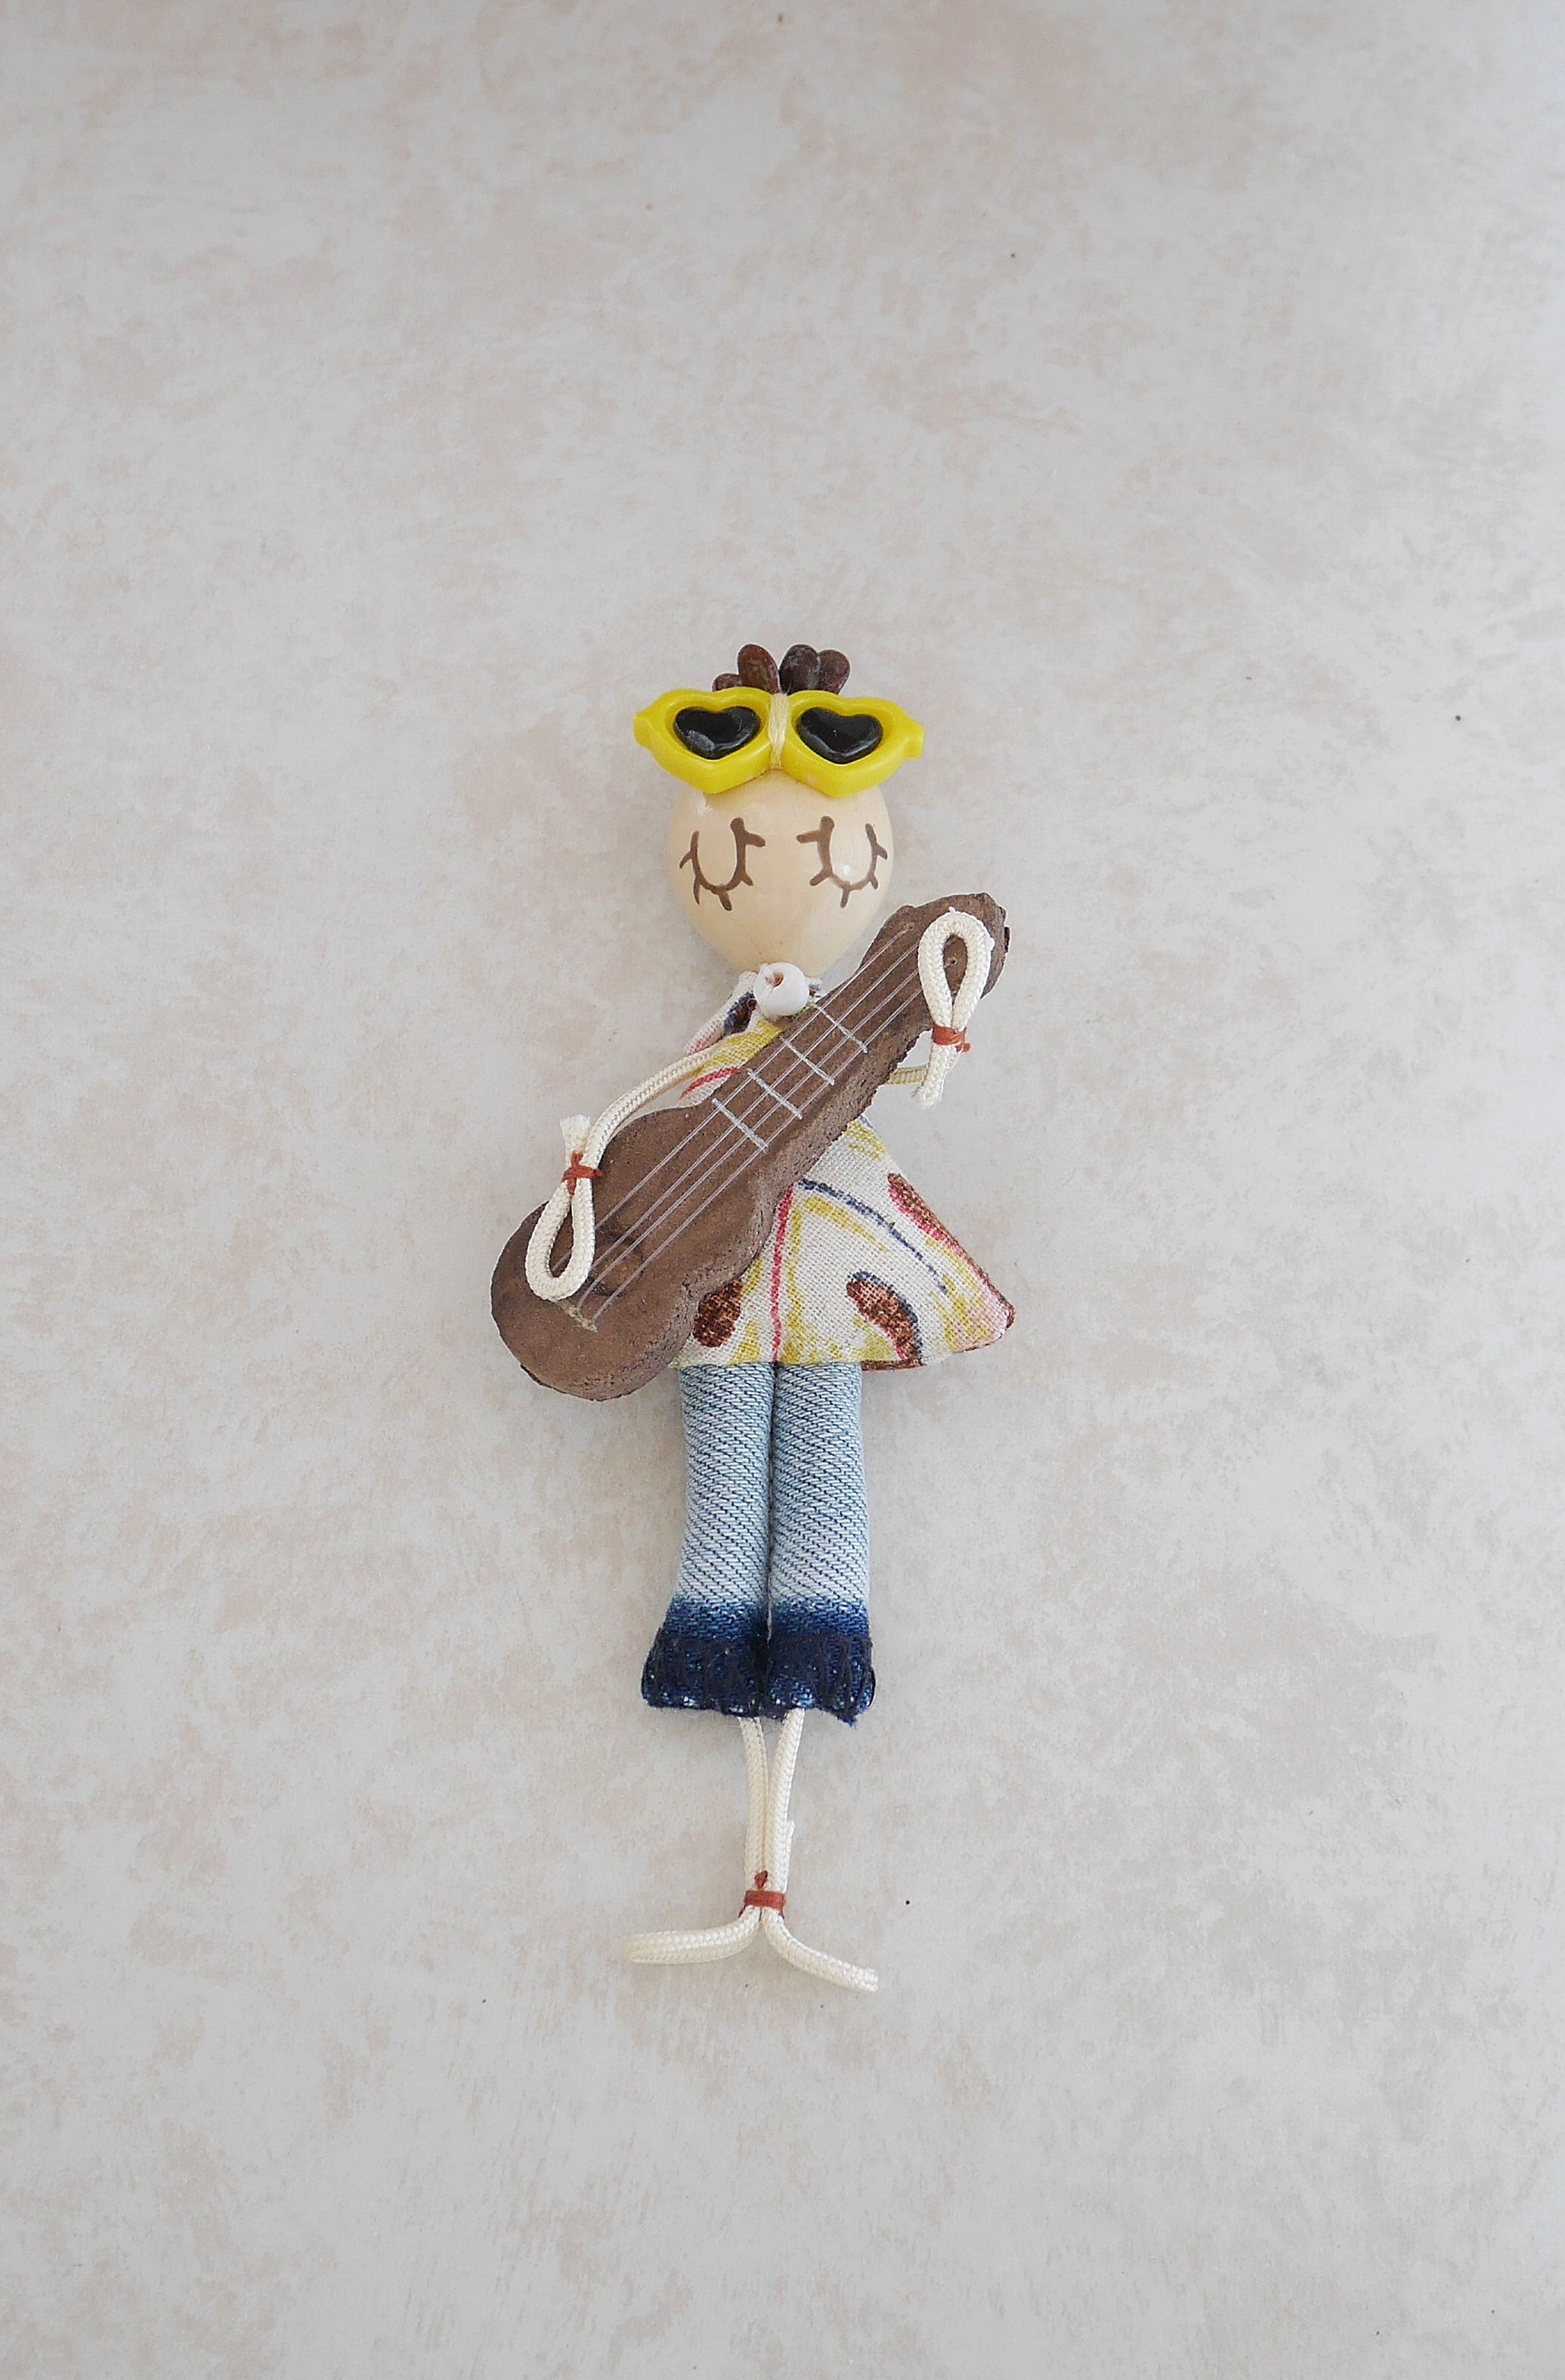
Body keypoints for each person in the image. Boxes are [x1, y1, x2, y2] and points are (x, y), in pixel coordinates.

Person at [616, 638, 1012, 1986]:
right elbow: (656, 1107)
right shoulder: (722, 1046)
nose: (770, 865)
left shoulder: (832, 1039)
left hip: (823, 1271)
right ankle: (724, 1659)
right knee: (727, 1476)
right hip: (712, 1272)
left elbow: (899, 1070)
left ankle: (797, 1727)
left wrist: (931, 1036)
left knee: (823, 1466)